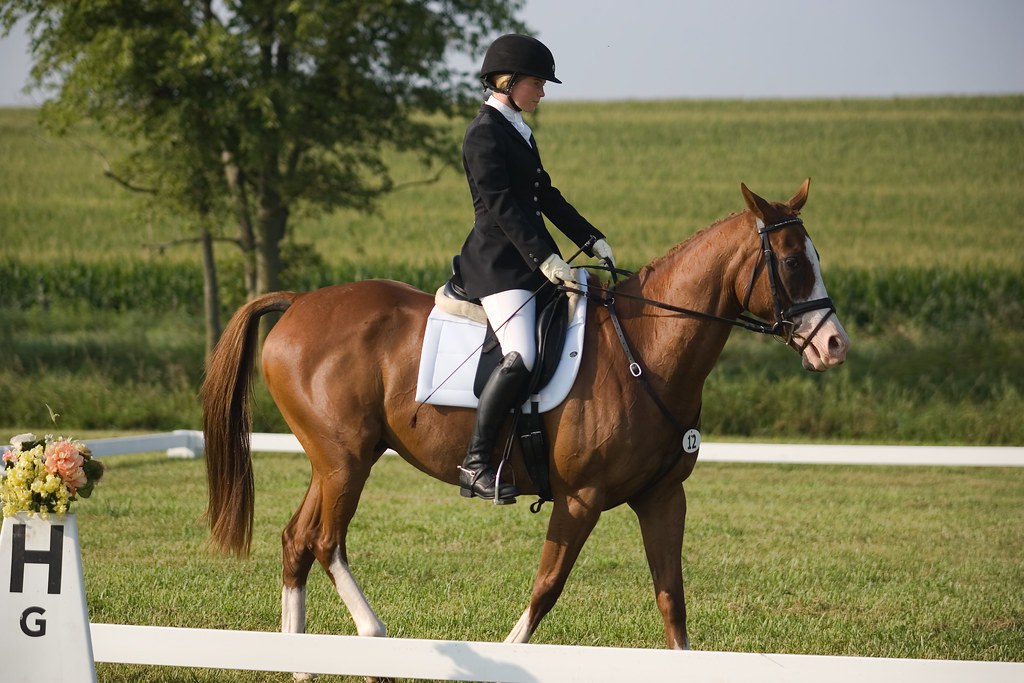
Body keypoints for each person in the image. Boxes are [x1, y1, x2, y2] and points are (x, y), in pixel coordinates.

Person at [456, 33, 615, 503]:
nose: (542, 91)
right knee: (521, 354)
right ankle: (476, 462)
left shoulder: (518, 129)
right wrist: (544, 258)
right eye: (537, 83)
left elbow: (544, 196)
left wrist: (589, 236)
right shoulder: (483, 132)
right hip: (499, 266)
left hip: (531, 261)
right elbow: (503, 207)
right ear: (507, 81)